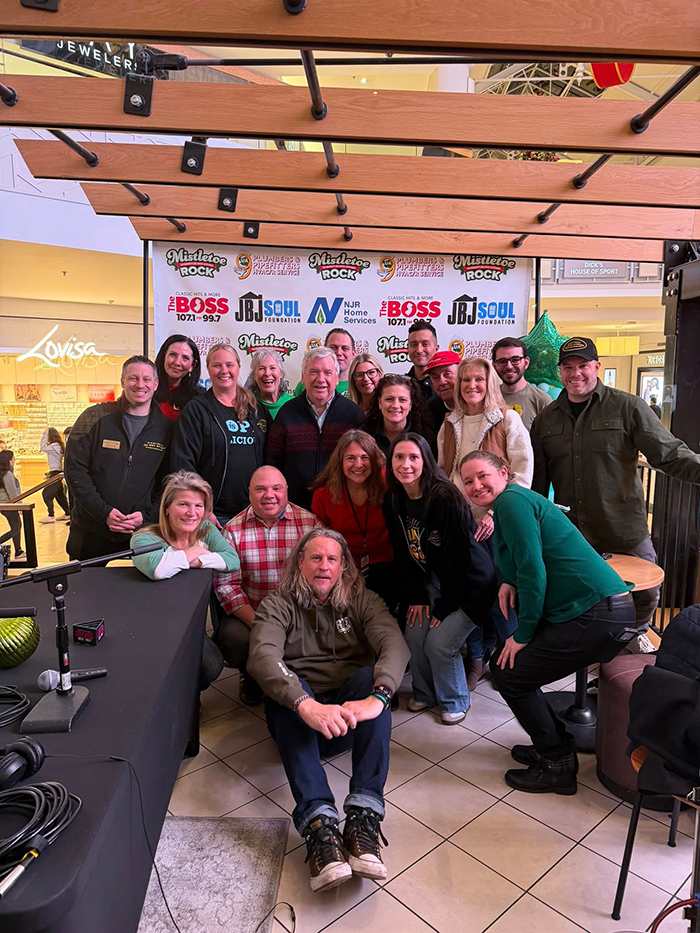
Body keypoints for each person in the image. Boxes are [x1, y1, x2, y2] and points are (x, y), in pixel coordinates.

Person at [460, 450, 638, 795]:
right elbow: (525, 558)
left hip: (597, 613)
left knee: (511, 674)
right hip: (596, 610)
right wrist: (509, 581)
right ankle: (553, 745)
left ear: (504, 473)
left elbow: (533, 570)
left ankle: (557, 762)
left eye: (483, 476)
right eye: (468, 481)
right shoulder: (513, 502)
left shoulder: (511, 502)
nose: (476, 485)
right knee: (509, 668)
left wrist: (523, 634)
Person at [247, 528, 410, 892]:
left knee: (371, 679)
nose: (324, 566)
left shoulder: (363, 599)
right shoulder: (277, 603)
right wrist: (304, 703)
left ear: (343, 567)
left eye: (332, 559)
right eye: (315, 558)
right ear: (299, 563)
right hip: (299, 719)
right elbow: (262, 656)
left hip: (345, 718)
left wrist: (379, 697)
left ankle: (364, 816)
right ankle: (320, 826)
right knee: (285, 691)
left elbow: (393, 643)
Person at [531, 336, 700, 627]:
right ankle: (598, 646)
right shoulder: (545, 419)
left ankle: (632, 638)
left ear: (596, 367)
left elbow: (669, 454)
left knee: (646, 593)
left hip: (623, 528)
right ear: (560, 371)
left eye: (583, 365)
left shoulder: (627, 407)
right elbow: (538, 482)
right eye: (568, 367)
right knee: (581, 597)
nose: (575, 373)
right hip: (574, 533)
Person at [383, 434, 497, 724]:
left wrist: (444, 607)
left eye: (413, 457)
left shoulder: (445, 498)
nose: (406, 464)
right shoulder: (392, 498)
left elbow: (458, 561)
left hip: (470, 585)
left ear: (426, 461)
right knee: (413, 635)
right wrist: (417, 597)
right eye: (399, 457)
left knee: (439, 644)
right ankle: (425, 693)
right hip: (432, 581)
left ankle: (455, 699)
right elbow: (402, 552)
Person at [214, 466, 320, 705]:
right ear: (249, 492)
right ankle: (252, 676)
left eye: (276, 488)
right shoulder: (232, 530)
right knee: (232, 638)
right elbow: (227, 586)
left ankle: (300, 677)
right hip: (254, 614)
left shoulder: (310, 524)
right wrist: (259, 623)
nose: (269, 495)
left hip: (299, 613)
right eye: (260, 489)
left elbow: (322, 577)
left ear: (286, 490)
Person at [131, 471, 239, 691]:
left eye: (198, 506)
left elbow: (232, 560)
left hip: (188, 622)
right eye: (183, 504)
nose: (192, 513)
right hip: (151, 624)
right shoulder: (144, 537)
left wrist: (192, 560)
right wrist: (195, 551)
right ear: (167, 508)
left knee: (211, 665)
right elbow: (158, 569)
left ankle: (188, 697)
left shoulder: (205, 531)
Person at [64, 356, 173, 561]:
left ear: (156, 384)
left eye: (146, 379)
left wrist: (147, 515)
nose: (140, 384)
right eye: (133, 378)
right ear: (122, 381)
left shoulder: (167, 429)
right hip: (90, 529)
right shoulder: (92, 417)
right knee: (84, 582)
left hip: (140, 533)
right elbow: (74, 469)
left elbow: (169, 480)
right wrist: (103, 512)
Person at [170, 343, 268, 525]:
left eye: (229, 365)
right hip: (213, 513)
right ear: (208, 369)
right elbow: (183, 464)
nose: (224, 371)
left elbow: (269, 457)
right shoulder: (197, 409)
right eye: (217, 365)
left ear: (238, 367)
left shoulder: (256, 408)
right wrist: (202, 508)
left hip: (254, 511)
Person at [438, 356, 533, 534]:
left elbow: (522, 472)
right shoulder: (449, 423)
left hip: (497, 522)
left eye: (479, 379)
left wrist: (494, 513)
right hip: (457, 518)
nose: (471, 385)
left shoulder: (507, 419)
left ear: (490, 383)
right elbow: (442, 471)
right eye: (466, 379)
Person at [265, 347, 363, 509]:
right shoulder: (287, 413)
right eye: (313, 372)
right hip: (295, 509)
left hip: (341, 507)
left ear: (337, 379)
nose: (320, 379)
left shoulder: (354, 415)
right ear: (303, 378)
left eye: (328, 373)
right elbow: (272, 462)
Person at [311, 430, 394, 608]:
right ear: (340, 461)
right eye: (350, 458)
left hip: (387, 564)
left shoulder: (387, 483)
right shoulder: (323, 494)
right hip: (343, 568)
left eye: (364, 457)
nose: (358, 464)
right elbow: (321, 541)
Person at [363, 374, 436, 457]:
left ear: (410, 404)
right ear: (380, 403)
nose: (395, 405)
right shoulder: (364, 435)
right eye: (389, 399)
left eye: (402, 400)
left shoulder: (426, 438)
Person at [491, 337, 551, 431]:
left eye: (515, 360)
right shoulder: (487, 398)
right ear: (494, 366)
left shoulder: (542, 401)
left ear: (526, 363)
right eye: (502, 361)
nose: (509, 366)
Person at [294, 328, 356, 398]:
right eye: (333, 347)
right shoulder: (305, 384)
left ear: (353, 354)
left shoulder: (359, 385)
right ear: (324, 350)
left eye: (345, 348)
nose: (339, 353)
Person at [154, 334, 203, 421]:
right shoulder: (146, 389)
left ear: (192, 365)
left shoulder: (200, 398)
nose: (177, 362)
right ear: (163, 357)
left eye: (185, 358)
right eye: (173, 355)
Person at [244, 349, 294, 421]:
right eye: (261, 368)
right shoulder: (246, 406)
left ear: (281, 373)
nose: (267, 373)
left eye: (272, 368)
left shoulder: (295, 404)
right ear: (254, 375)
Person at [424, 350, 461, 432]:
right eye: (435, 377)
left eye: (447, 374)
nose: (442, 382)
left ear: (461, 374)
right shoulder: (429, 410)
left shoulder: (476, 405)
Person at [39, 427, 70, 523]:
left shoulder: (53, 446)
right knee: (59, 494)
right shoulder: (59, 445)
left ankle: (51, 515)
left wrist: (44, 434)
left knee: (46, 494)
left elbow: (42, 448)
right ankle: (68, 513)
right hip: (58, 472)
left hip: (55, 473)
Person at [0, 450, 24, 560]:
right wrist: (20, 505)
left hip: (5, 505)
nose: (14, 460)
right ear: (8, 460)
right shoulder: (7, 474)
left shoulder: (4, 473)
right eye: (13, 458)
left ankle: (18, 550)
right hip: (9, 505)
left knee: (17, 526)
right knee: (16, 528)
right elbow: (13, 493)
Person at [406, 321, 438, 400]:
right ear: (408, 349)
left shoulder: (445, 386)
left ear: (436, 349)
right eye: (414, 345)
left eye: (425, 344)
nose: (419, 350)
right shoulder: (402, 385)